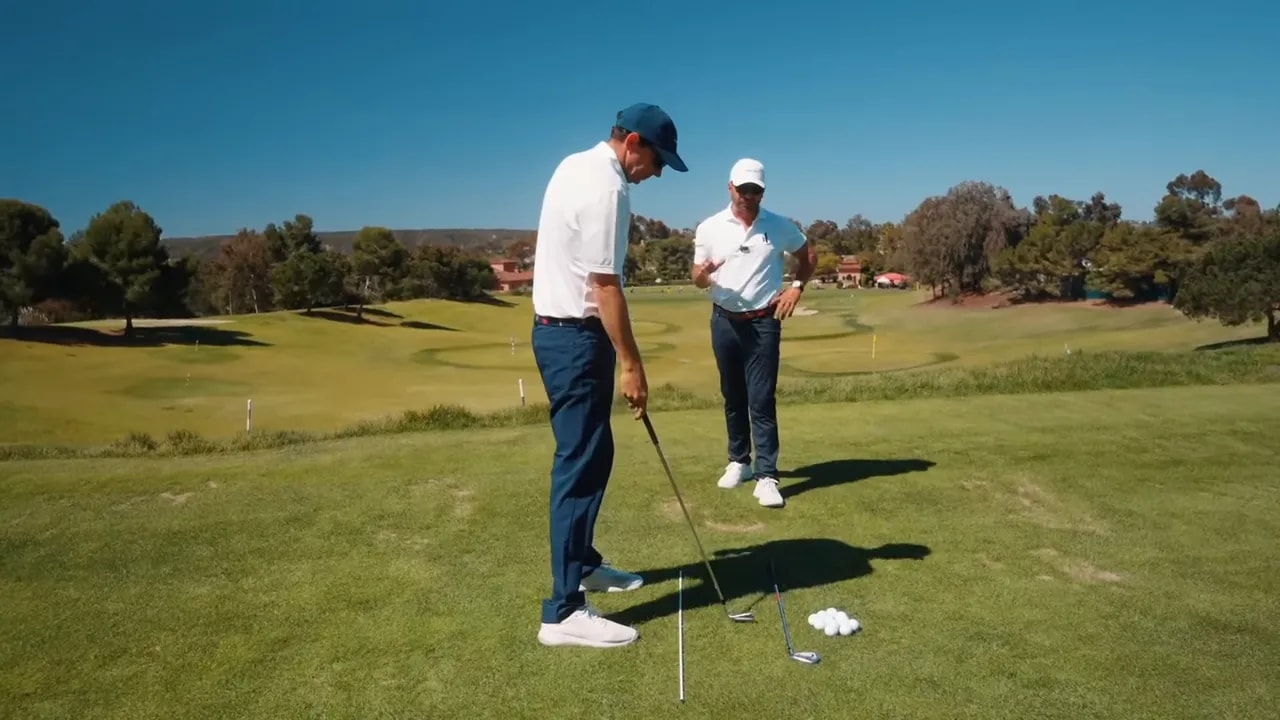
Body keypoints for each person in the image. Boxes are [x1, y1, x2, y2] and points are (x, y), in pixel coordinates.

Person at [529, 103, 688, 648]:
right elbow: (604, 286)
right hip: (576, 337)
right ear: (633, 142)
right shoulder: (609, 189)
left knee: (595, 455)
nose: (658, 172)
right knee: (579, 464)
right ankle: (563, 611)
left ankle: (585, 562)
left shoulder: (573, 164)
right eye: (657, 159)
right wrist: (632, 362)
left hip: (560, 333)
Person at [690, 158, 816, 509]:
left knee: (761, 399)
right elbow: (697, 279)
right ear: (730, 187)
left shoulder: (778, 226)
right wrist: (705, 273)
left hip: (763, 321)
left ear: (763, 191)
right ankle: (739, 461)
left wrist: (796, 288)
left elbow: (808, 255)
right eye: (742, 189)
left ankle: (767, 476)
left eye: (754, 190)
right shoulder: (711, 228)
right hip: (724, 319)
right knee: (733, 395)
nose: (748, 196)